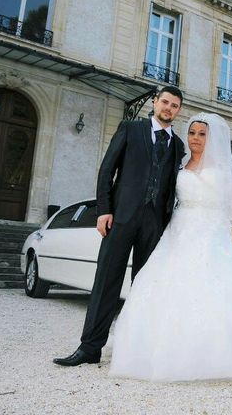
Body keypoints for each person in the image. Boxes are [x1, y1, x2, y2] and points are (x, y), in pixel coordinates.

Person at [109, 113, 232, 381]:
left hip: (212, 232)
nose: (195, 138)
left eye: (202, 134)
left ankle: (224, 357)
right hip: (180, 230)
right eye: (192, 133)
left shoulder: (221, 170)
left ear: (212, 138)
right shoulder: (180, 164)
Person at [53, 86, 185, 367]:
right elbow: (107, 169)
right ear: (155, 102)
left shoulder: (178, 145)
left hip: (155, 223)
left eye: (174, 105)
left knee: (145, 286)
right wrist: (104, 210)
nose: (168, 108)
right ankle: (89, 348)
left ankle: (137, 348)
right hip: (121, 217)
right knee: (106, 281)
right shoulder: (131, 128)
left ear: (179, 110)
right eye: (165, 102)